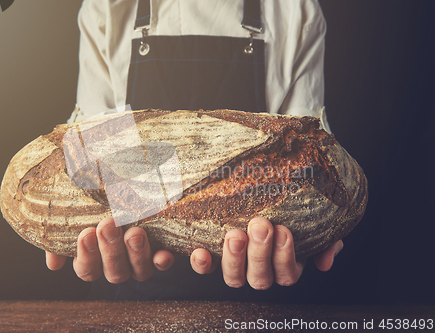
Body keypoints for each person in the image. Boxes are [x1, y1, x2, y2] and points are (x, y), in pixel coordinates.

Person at [46, 0, 343, 300]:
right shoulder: (108, 7)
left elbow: (306, 158)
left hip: (258, 285)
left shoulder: (295, 10)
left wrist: (310, 231)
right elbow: (95, 165)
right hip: (132, 290)